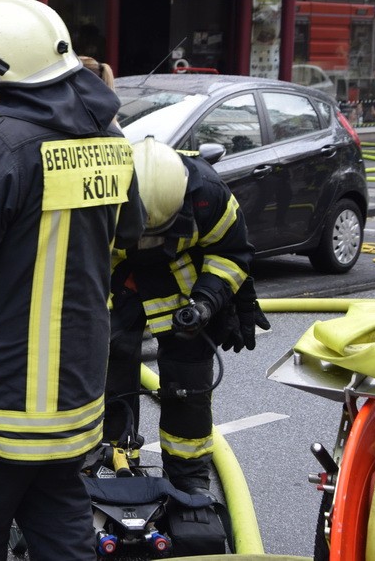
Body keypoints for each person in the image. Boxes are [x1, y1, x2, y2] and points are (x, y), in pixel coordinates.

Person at [0, 0, 145, 560]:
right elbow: (130, 231)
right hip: (75, 397)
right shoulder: (110, 141)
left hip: (1, 394)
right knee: (63, 534)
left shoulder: (6, 144)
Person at [105, 136, 258, 497]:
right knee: (108, 364)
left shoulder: (210, 195)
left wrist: (207, 303)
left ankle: (188, 476)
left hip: (182, 284)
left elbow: (232, 253)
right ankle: (111, 457)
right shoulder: (104, 191)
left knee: (188, 380)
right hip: (115, 277)